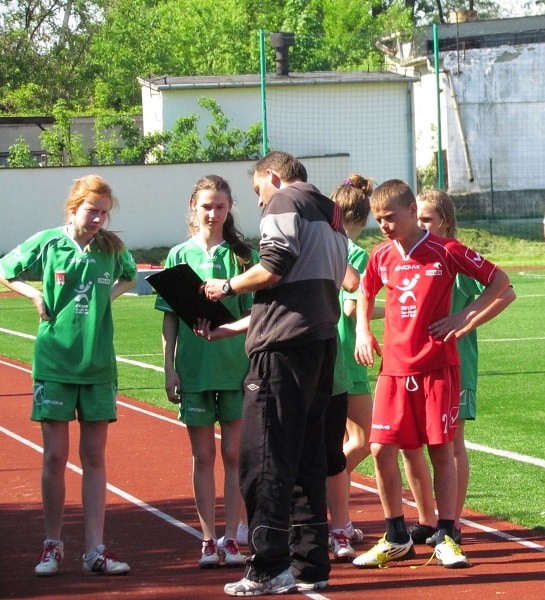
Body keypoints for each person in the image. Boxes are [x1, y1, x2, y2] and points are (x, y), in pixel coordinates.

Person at [202, 151, 348, 595]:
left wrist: (226, 286)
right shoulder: (331, 211)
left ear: (272, 176)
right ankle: (310, 564)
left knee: (263, 459)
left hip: (282, 350)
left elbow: (274, 267)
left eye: (257, 190)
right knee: (307, 458)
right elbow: (303, 287)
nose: (259, 201)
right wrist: (234, 327)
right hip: (320, 343)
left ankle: (268, 566)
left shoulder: (285, 201)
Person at [352, 180, 512, 569]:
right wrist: (362, 331)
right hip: (394, 370)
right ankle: (396, 536)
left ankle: (447, 535)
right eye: (378, 219)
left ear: (411, 211)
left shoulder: (446, 250)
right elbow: (364, 292)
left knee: (442, 450)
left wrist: (464, 316)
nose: (384, 225)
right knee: (380, 449)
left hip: (438, 367)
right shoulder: (381, 256)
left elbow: (500, 281)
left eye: (390, 217)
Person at [0, 175, 136, 577]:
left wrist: (109, 296)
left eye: (104, 213)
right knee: (55, 456)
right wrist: (34, 294)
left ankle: (95, 550)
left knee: (94, 457)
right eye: (92, 211)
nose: (98, 219)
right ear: (74, 208)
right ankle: (52, 545)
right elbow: (6, 268)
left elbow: (130, 274)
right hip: (55, 362)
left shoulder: (110, 247)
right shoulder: (48, 242)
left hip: (98, 365)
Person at [400, 189, 516, 547]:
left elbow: (506, 291)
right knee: (411, 443)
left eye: (428, 219)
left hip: (455, 364)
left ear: (445, 221)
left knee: (450, 443)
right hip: (417, 363)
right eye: (417, 218)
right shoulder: (413, 256)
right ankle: (426, 519)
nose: (421, 225)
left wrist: (465, 319)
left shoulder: (453, 256)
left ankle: (452, 522)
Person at [155, 175, 257, 568]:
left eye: (220, 206)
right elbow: (168, 318)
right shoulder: (178, 255)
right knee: (202, 456)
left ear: (230, 208)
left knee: (233, 454)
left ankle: (232, 538)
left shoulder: (243, 256)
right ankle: (208, 539)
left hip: (235, 368)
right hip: (194, 370)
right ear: (193, 208)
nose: (213, 214)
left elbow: (257, 313)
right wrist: (169, 368)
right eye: (206, 206)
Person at [328, 174, 381, 561]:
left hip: (324, 351)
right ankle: (325, 500)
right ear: (363, 219)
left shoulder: (320, 244)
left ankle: (340, 521)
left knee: (343, 440)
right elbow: (351, 306)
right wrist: (401, 310)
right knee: (362, 440)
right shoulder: (355, 254)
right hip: (348, 355)